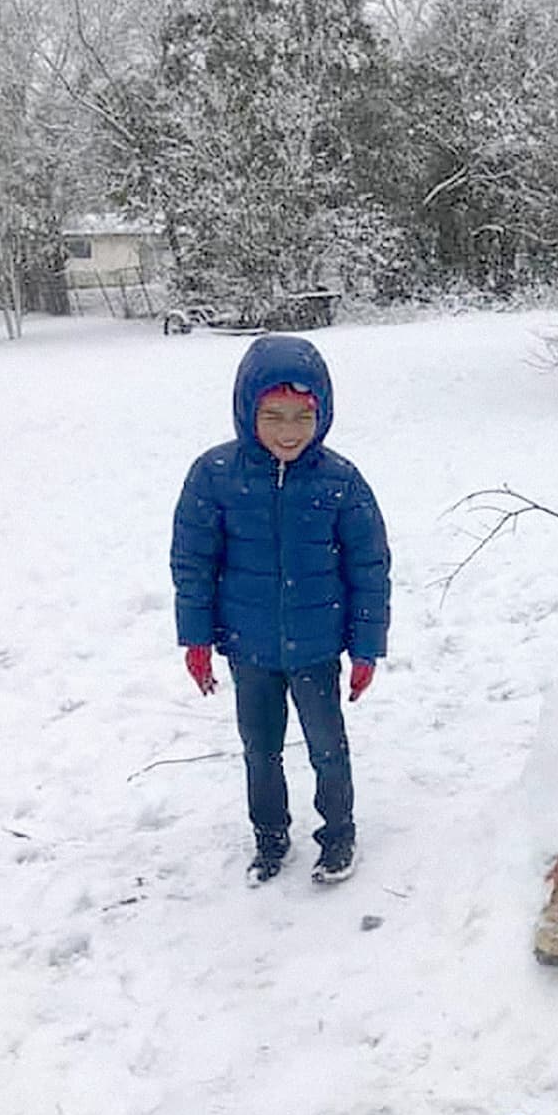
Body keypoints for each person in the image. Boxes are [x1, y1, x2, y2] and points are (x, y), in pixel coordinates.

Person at [171, 333, 390, 885]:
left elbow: (369, 568)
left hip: (317, 646)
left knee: (327, 747)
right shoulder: (215, 476)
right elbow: (193, 561)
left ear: (323, 413)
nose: (288, 431)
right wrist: (196, 638)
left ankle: (337, 833)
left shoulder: (341, 482)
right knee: (259, 750)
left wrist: (366, 648)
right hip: (250, 647)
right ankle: (269, 838)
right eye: (273, 415)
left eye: (302, 416)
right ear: (248, 410)